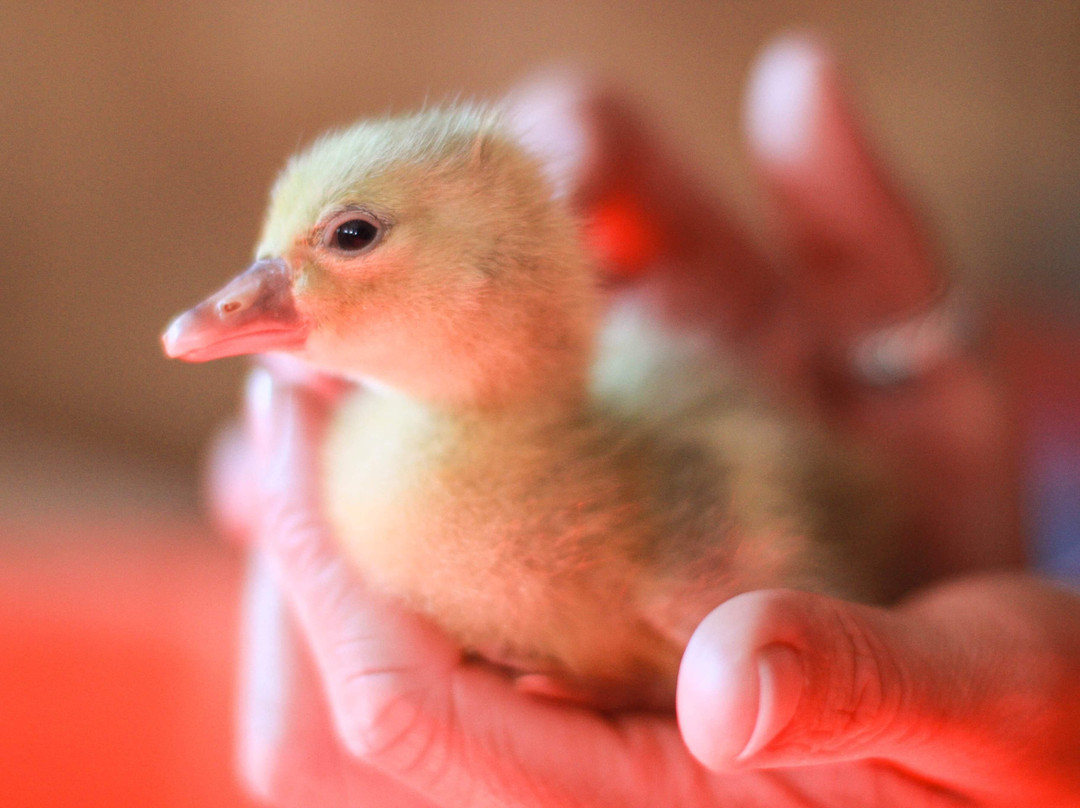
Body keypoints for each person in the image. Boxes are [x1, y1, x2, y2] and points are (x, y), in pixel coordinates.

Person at [212, 36, 1080, 806]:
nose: (245, 298)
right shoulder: (406, 440)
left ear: (494, 264)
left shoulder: (646, 507)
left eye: (350, 237)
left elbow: (788, 546)